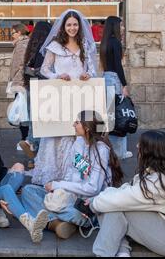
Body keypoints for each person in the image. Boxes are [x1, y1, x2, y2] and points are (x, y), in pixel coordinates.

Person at [87, 130, 165, 257]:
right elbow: (127, 191)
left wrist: (93, 204)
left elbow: (121, 199)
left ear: (150, 152)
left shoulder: (157, 183)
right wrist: (99, 199)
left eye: (140, 144)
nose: (137, 146)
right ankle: (121, 253)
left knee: (113, 206)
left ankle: (104, 255)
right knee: (112, 204)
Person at [21, 110, 124, 240]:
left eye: (77, 122)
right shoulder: (79, 143)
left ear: (86, 127)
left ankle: (53, 220)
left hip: (85, 205)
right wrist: (59, 190)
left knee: (73, 213)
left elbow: (93, 188)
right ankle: (56, 222)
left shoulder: (101, 150)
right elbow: (71, 173)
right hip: (71, 198)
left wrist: (57, 185)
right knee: (28, 191)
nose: (73, 125)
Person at [30, 10, 98, 186]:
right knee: (58, 134)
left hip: (81, 95)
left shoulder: (85, 45)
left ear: (80, 26)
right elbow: (45, 69)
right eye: (69, 25)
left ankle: (79, 176)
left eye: (75, 24)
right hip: (61, 95)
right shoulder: (55, 46)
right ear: (63, 26)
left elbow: (92, 70)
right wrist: (57, 76)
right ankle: (56, 178)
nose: (72, 28)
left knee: (79, 135)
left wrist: (87, 75)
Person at [19, 21, 53, 169]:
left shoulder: (31, 47)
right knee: (44, 122)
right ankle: (34, 146)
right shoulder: (46, 48)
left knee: (34, 119)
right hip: (44, 87)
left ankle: (32, 149)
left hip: (31, 86)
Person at [100, 16, 133, 160]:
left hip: (105, 78)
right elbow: (118, 66)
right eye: (121, 25)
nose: (123, 28)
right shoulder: (116, 43)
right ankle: (120, 151)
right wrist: (124, 84)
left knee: (109, 117)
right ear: (114, 27)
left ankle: (109, 150)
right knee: (119, 116)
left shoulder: (105, 43)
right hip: (114, 79)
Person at [8, 24, 30, 150]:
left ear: (19, 32)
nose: (12, 35)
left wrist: (13, 80)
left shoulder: (21, 45)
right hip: (23, 82)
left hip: (20, 83)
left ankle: (24, 139)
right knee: (24, 112)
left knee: (22, 113)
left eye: (13, 33)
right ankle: (25, 138)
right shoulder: (24, 44)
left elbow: (18, 66)